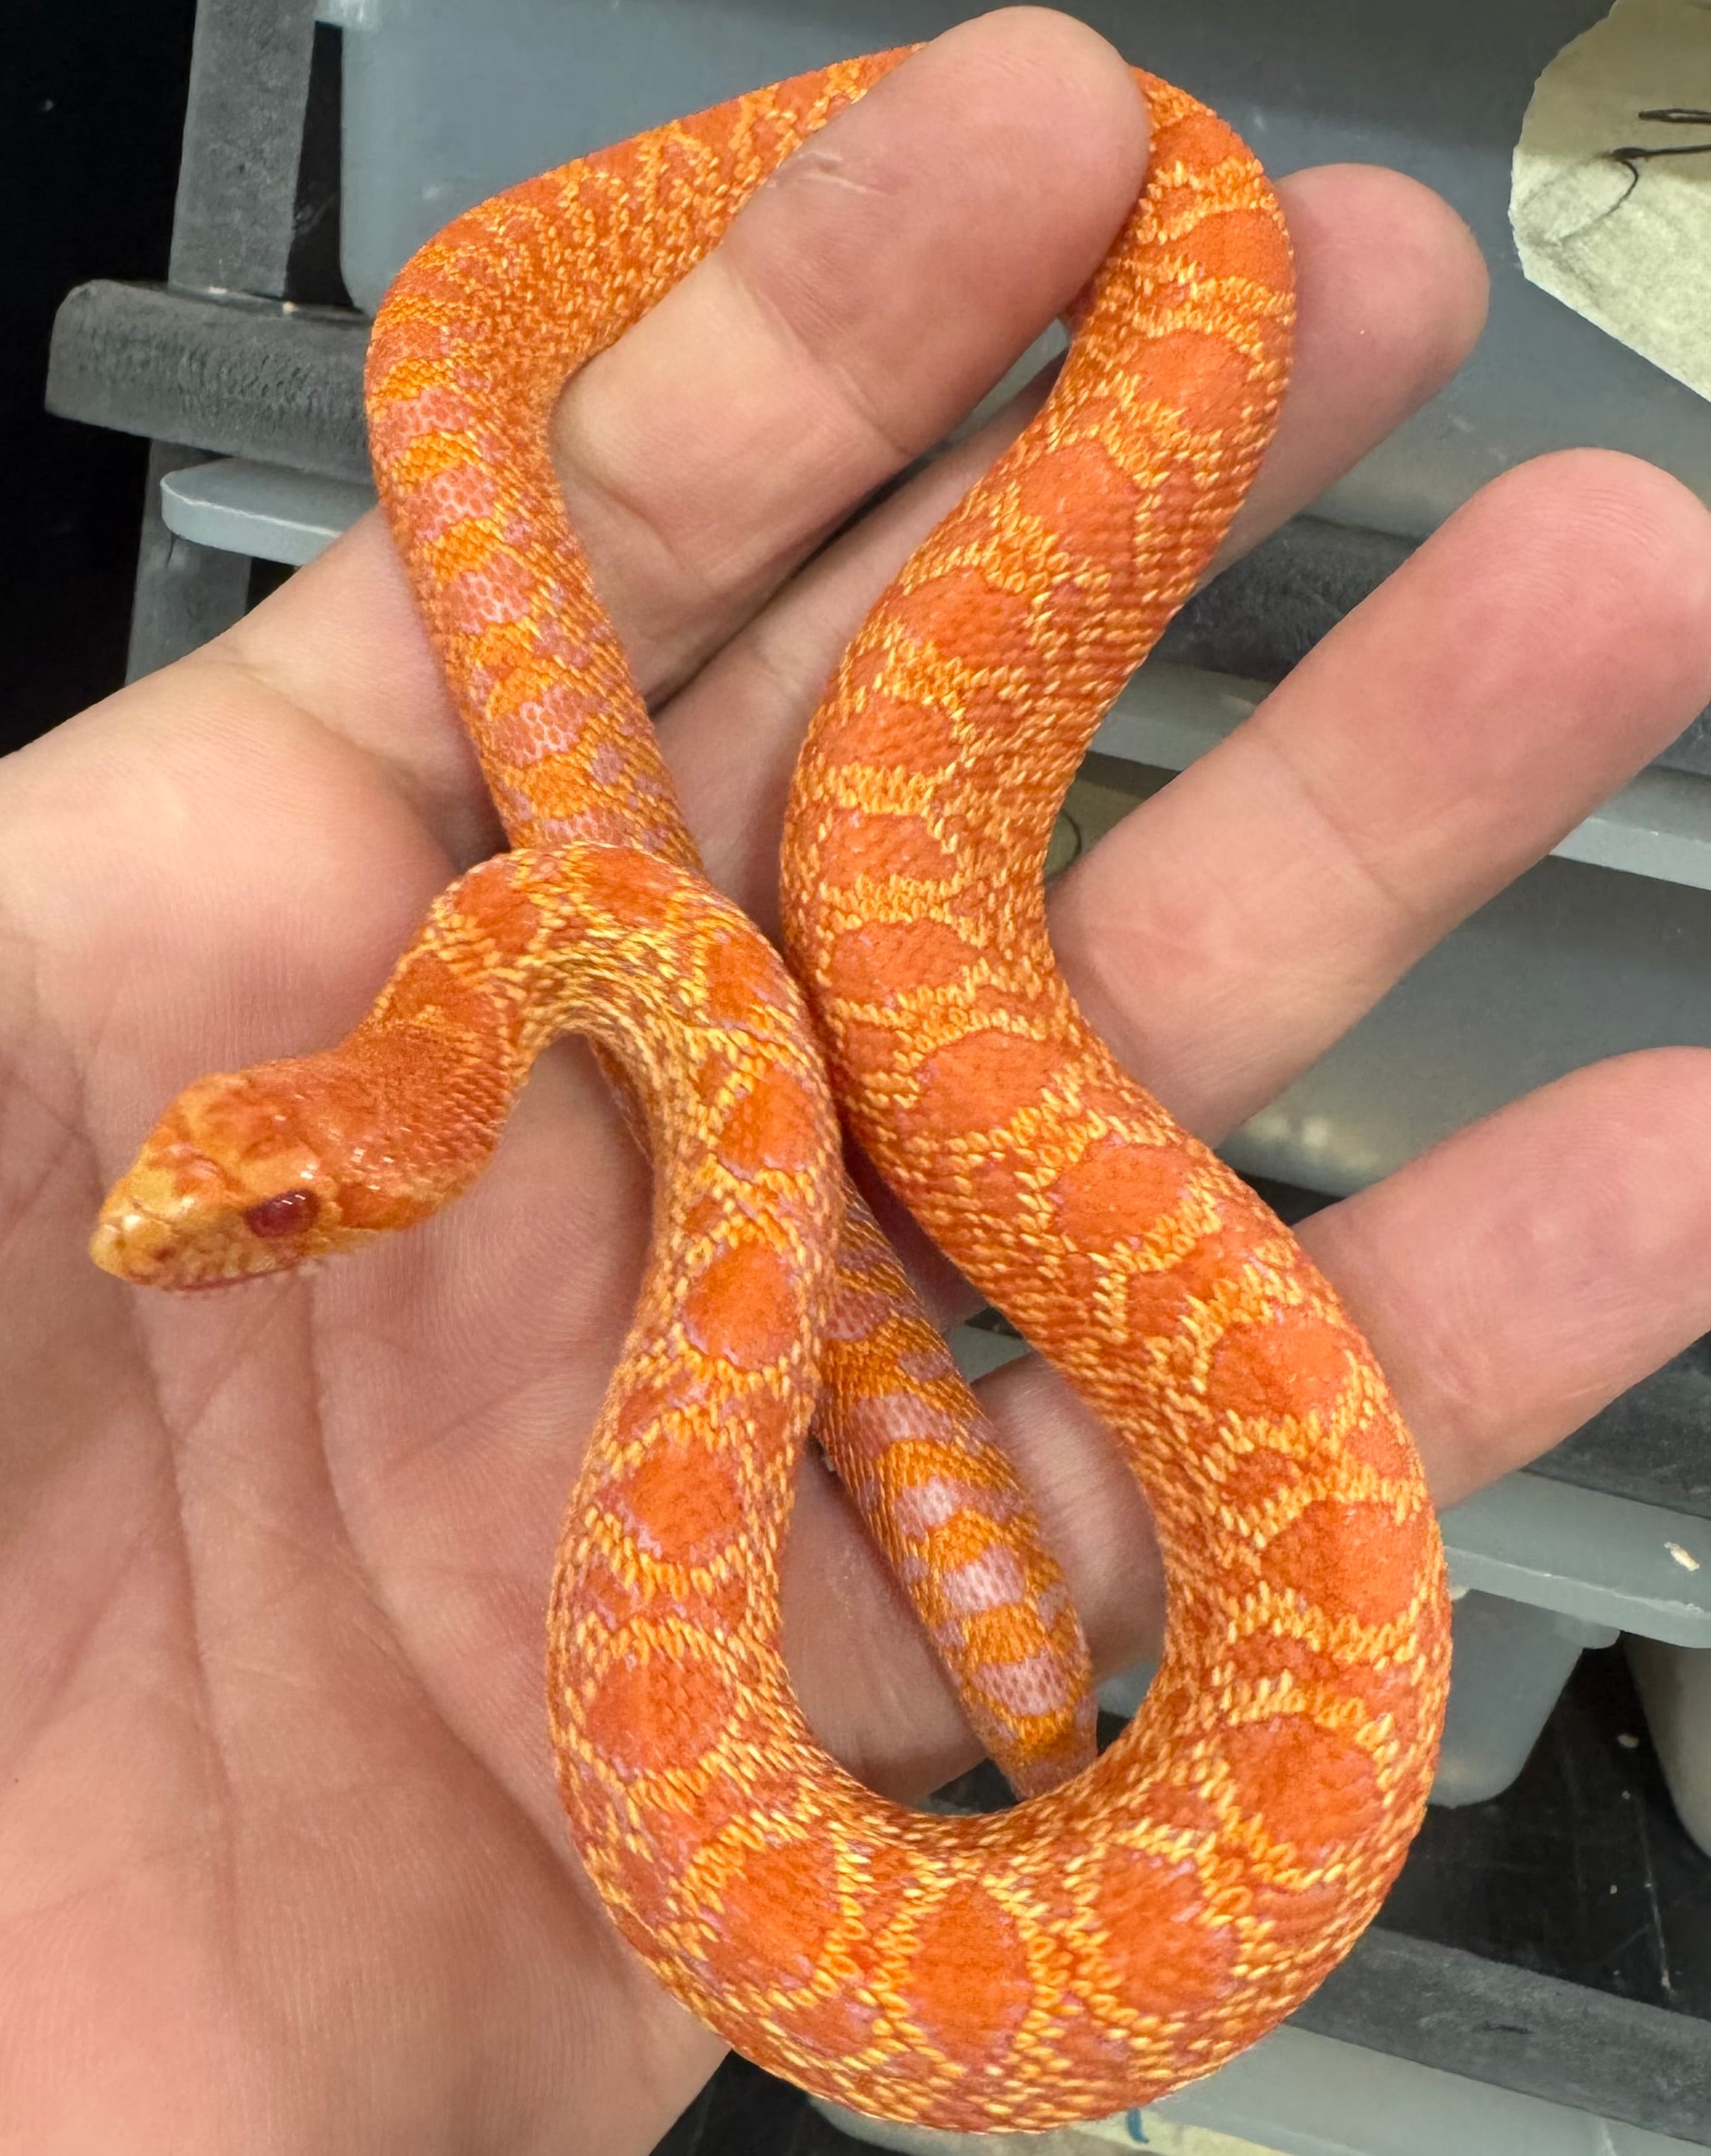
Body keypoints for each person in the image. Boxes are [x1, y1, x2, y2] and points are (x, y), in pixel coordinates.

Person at [4, 10, 1710, 2152]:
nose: (170, 1230)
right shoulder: (556, 967)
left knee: (553, 341)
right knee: (449, 346)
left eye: (263, 1205)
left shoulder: (566, 962)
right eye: (244, 1197)